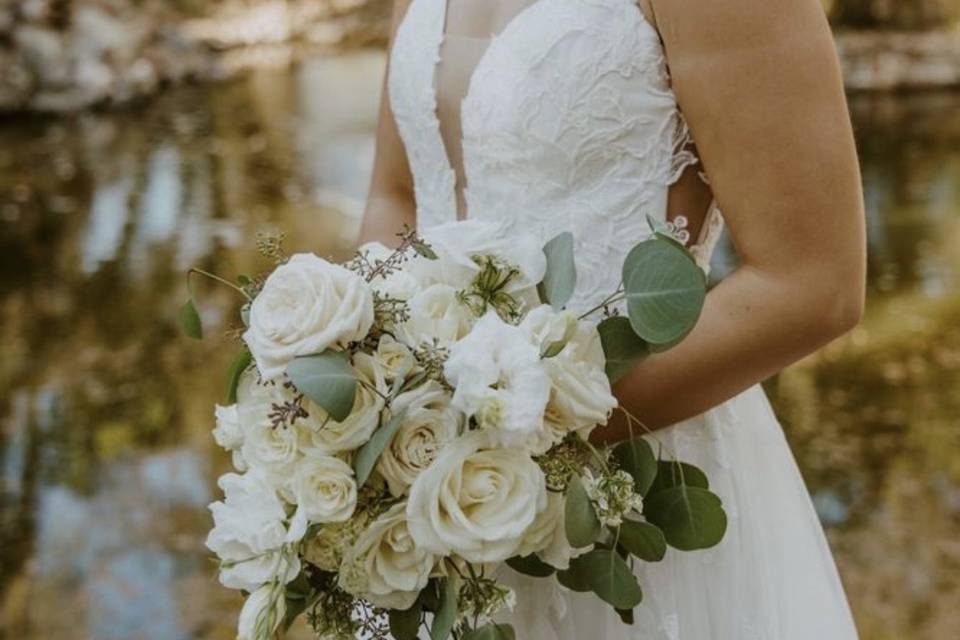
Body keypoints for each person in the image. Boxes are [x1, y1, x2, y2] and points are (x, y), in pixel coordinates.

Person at [360, 0, 864, 637]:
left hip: (631, 483)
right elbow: (396, 195)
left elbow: (814, 284)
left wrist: (515, 434)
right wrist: (368, 404)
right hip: (431, 500)